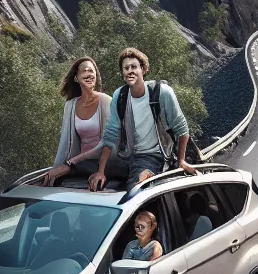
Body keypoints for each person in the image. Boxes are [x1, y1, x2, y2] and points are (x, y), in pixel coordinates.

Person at [88, 47, 197, 191]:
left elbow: (181, 127)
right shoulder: (120, 95)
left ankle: (147, 178)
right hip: (126, 155)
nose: (130, 71)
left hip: (152, 156)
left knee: (135, 190)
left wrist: (181, 160)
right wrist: (100, 171)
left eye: (134, 67)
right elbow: (110, 133)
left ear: (143, 69)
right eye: (126, 68)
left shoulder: (162, 93)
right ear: (122, 73)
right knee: (85, 167)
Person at [43, 57, 113, 185]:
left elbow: (107, 143)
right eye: (84, 71)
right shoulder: (70, 105)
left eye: (92, 71)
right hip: (79, 164)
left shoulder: (106, 101)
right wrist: (57, 167)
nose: (89, 74)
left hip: (102, 164)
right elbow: (64, 143)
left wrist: (70, 164)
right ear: (76, 77)